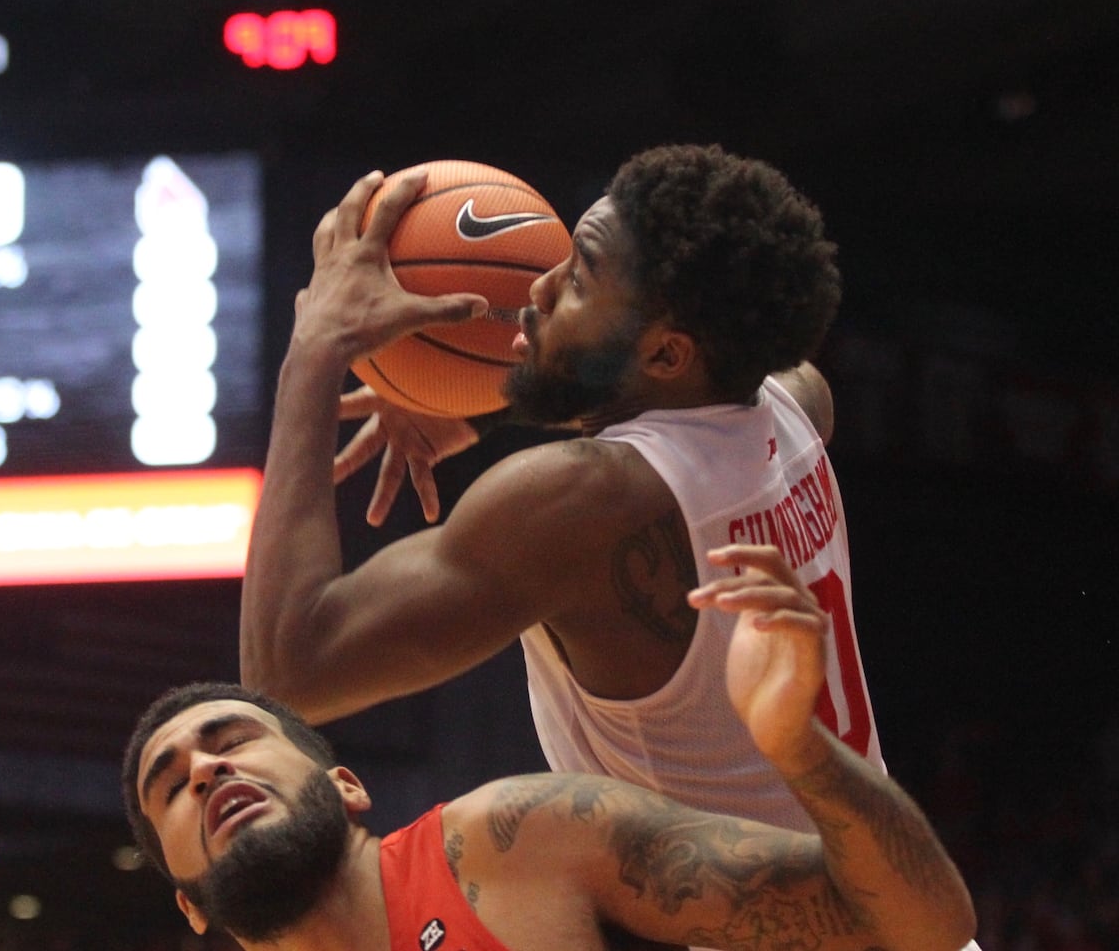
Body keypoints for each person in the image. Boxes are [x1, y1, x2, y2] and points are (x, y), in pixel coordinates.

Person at [241, 143, 873, 834]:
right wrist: (492, 405)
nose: (537, 289)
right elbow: (682, 416)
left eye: (579, 280)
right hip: (902, 909)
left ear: (667, 353)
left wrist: (316, 347)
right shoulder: (793, 402)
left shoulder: (578, 500)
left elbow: (288, 670)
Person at [126, 546, 977, 951]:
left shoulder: (509, 845)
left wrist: (802, 751)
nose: (206, 770)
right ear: (190, 906)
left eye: (232, 739)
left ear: (347, 786)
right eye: (170, 786)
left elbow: (920, 925)